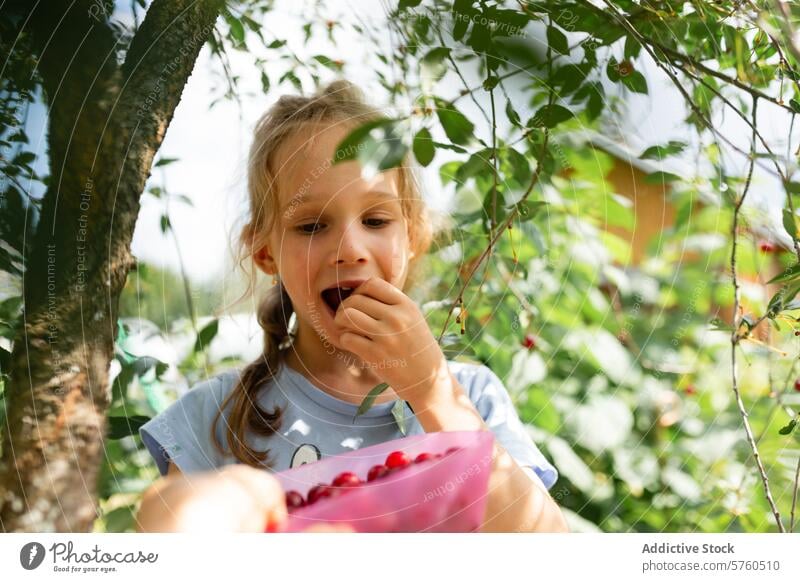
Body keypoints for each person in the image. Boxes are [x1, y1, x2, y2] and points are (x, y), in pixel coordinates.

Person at [135, 79, 568, 533]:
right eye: (312, 225)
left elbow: (546, 545)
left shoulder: (472, 397)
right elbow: (167, 529)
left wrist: (431, 393)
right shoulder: (216, 416)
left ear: (414, 237)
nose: (351, 248)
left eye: (376, 220)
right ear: (265, 252)